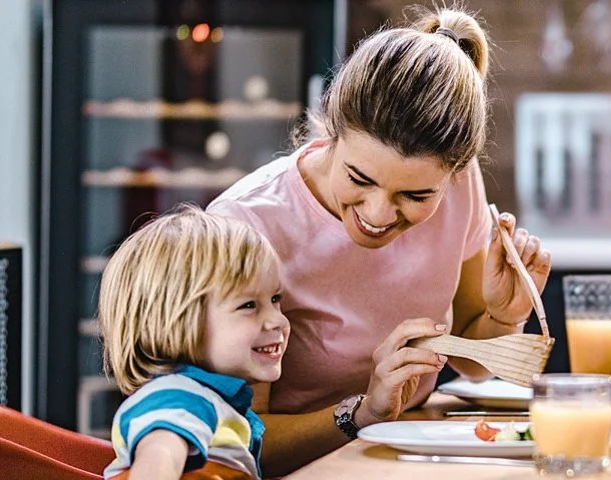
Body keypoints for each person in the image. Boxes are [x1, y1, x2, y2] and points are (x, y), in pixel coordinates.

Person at [205, 6, 550, 475]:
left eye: (415, 195)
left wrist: (503, 316)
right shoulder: (245, 226)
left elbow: (470, 358)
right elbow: (237, 445)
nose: (378, 214)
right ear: (331, 131)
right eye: (359, 178)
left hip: (408, 453)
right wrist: (365, 412)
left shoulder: (460, 183)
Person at [99, 206, 288, 479]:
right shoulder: (179, 398)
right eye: (249, 305)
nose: (277, 321)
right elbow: (158, 460)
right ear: (178, 319)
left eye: (275, 299)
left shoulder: (208, 398)